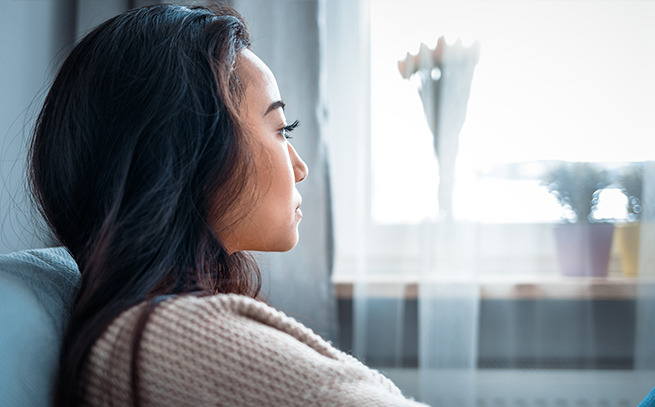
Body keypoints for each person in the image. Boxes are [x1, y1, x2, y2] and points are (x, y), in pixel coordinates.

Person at [29, 4, 427, 406]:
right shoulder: (177, 341)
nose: (300, 167)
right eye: (281, 130)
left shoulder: (160, 323)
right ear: (191, 154)